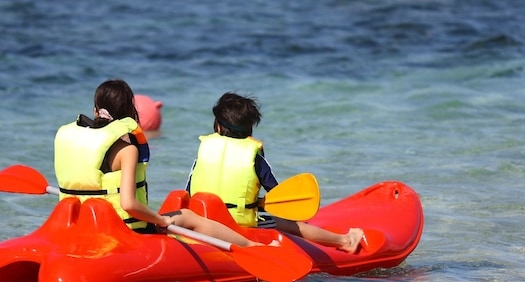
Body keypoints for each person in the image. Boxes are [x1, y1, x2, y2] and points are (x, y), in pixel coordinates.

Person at [54, 79, 267, 249]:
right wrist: (160, 220)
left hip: (85, 226)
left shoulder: (74, 140)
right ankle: (250, 246)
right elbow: (129, 204)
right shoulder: (127, 150)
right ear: (130, 111)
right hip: (124, 232)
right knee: (186, 215)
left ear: (95, 110)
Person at [186, 92, 365, 253]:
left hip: (203, 220)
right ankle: (345, 241)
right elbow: (276, 193)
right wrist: (258, 205)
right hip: (239, 224)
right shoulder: (252, 155)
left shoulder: (205, 150)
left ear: (217, 127)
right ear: (249, 129)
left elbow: (189, 191)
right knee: (292, 225)